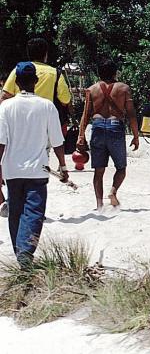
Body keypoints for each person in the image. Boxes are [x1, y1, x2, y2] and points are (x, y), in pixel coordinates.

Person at [0, 62, 69, 268]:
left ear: (17, 82)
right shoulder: (47, 106)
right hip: (38, 170)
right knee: (34, 213)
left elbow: (1, 143)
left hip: (12, 170)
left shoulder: (5, 107)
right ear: (36, 82)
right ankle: (25, 254)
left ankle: (21, 253)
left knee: (15, 212)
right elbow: (58, 141)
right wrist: (64, 168)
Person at [0, 38, 72, 215]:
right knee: (39, 164)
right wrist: (63, 167)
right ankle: (33, 206)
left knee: (15, 160)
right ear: (46, 54)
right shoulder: (55, 73)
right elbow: (65, 99)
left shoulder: (17, 71)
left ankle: (14, 202)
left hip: (16, 124)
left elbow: (5, 96)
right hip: (42, 126)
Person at [77, 59, 140, 209]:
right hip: (115, 127)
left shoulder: (91, 89)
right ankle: (112, 191)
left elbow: (85, 115)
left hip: (97, 127)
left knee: (99, 170)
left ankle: (99, 204)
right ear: (115, 72)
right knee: (121, 168)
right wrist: (136, 136)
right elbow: (131, 114)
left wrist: (81, 135)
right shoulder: (124, 89)